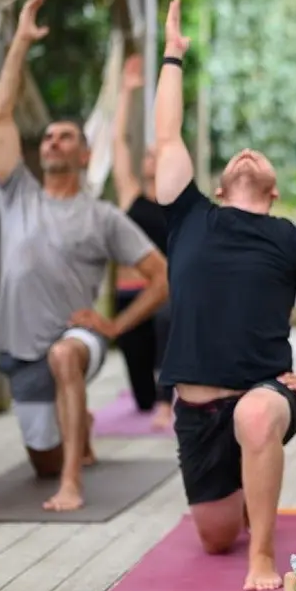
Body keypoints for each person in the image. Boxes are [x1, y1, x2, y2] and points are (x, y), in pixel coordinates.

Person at [153, 0, 296, 591]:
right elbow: (167, 134)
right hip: (195, 408)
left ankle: (262, 556)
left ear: (271, 189)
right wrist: (173, 55)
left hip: (266, 394)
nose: (248, 153)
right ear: (218, 186)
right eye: (239, 157)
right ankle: (245, 496)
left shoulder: (292, 238)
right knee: (215, 534)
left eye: (259, 157)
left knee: (255, 416)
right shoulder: (190, 216)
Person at [0, 0, 170, 512]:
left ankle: (71, 482)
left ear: (85, 153)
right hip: (21, 345)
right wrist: (20, 42)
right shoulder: (15, 193)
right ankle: (76, 435)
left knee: (65, 355)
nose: (53, 142)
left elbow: (161, 277)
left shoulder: (104, 216)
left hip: (77, 336)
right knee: (38, 457)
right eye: (48, 138)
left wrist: (113, 325)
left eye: (66, 137)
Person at [108, 53, 174, 430]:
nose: (149, 158)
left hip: (165, 296)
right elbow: (120, 142)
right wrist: (127, 92)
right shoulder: (132, 196)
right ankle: (156, 397)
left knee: (168, 325)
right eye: (147, 155)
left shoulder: (178, 205)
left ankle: (169, 402)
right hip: (130, 295)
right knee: (140, 396)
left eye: (156, 154)